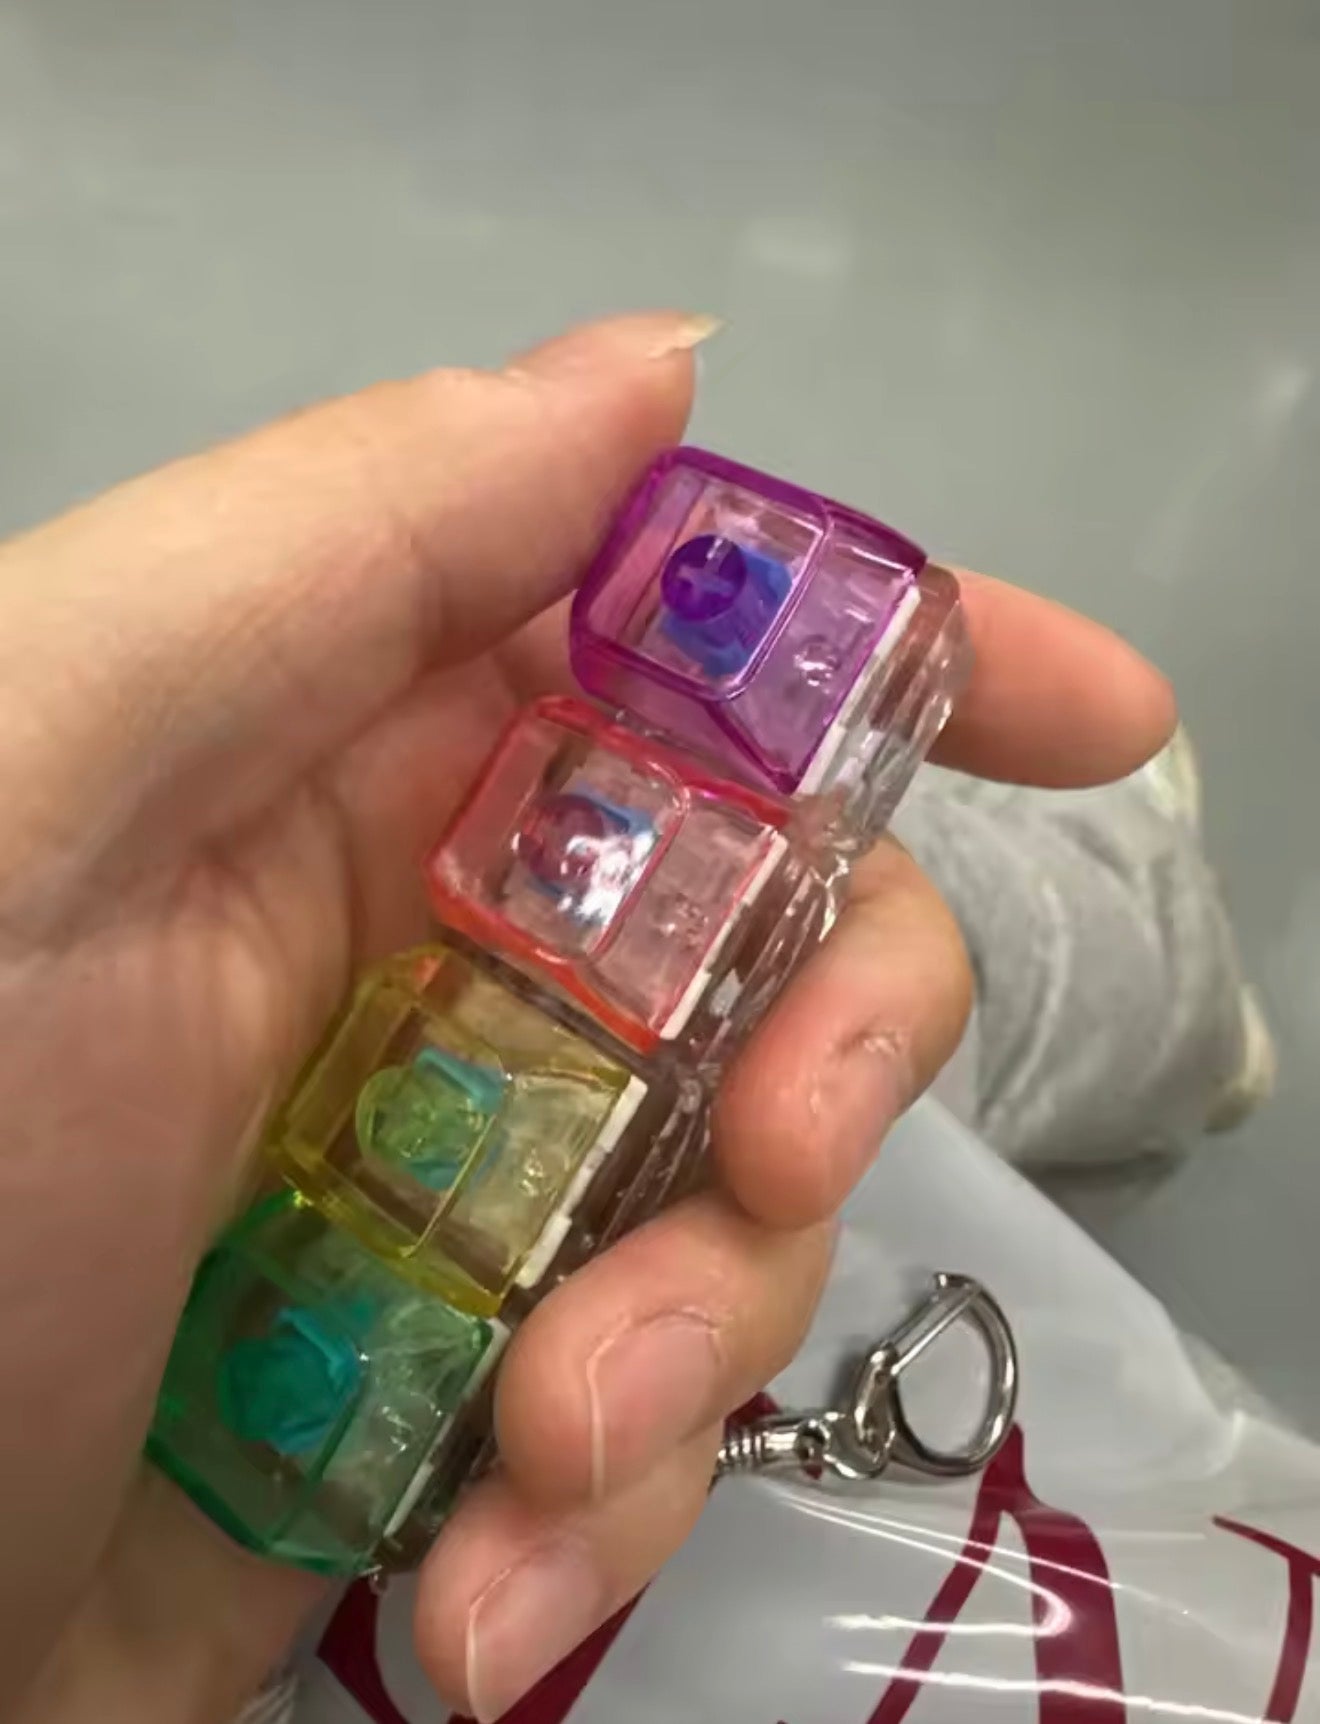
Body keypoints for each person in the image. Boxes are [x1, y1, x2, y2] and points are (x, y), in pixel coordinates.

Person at [0, 312, 1209, 1724]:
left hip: (660, 924)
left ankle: (1144, 931)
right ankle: (1151, 937)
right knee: (924, 987)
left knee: (903, 965)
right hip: (607, 996)